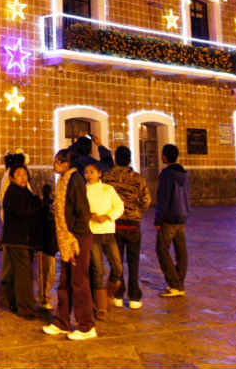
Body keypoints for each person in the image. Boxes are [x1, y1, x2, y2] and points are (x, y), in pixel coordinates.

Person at [42, 148, 96, 341]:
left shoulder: (75, 181)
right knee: (65, 281)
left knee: (79, 282)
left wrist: (75, 241)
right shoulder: (63, 181)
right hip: (66, 238)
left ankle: (86, 325)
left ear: (67, 164)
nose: (55, 165)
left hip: (77, 238)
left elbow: (83, 212)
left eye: (58, 161)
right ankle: (62, 321)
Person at [104, 145, 152, 308]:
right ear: (129, 159)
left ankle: (118, 293)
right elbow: (146, 200)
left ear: (116, 158)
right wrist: (136, 211)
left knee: (116, 261)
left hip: (114, 225)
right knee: (133, 261)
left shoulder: (108, 177)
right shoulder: (138, 178)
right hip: (132, 224)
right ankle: (134, 297)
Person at [0, 165, 40, 318]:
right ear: (12, 178)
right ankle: (25, 308)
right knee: (23, 275)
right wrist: (38, 206)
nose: (23, 178)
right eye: (19, 175)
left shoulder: (23, 192)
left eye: (25, 174)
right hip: (18, 239)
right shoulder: (14, 193)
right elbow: (24, 212)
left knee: (16, 274)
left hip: (20, 239)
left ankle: (13, 303)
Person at [84, 162, 124, 319]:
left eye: (92, 171)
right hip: (92, 232)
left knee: (117, 266)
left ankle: (108, 294)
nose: (89, 175)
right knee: (98, 269)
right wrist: (91, 215)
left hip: (108, 231)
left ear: (99, 173)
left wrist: (107, 216)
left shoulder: (108, 189)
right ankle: (101, 306)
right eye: (86, 172)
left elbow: (119, 206)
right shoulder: (83, 190)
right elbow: (80, 209)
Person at [155, 143, 190, 296]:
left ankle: (175, 284)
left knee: (162, 250)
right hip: (182, 216)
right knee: (181, 251)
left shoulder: (166, 174)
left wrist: (158, 219)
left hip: (169, 217)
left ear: (165, 156)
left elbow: (163, 198)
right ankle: (179, 283)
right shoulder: (184, 173)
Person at [36, 183, 57, 310]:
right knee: (46, 272)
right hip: (46, 243)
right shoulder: (43, 206)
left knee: (47, 272)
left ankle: (44, 296)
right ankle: (44, 297)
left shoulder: (50, 205)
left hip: (48, 244)